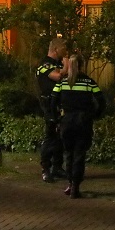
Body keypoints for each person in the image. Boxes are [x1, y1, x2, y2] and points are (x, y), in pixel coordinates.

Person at [51, 54, 105, 199]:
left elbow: (53, 101)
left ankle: (70, 183)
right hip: (83, 122)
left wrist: (57, 119)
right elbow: (101, 100)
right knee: (79, 155)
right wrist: (94, 115)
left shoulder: (62, 83)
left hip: (67, 121)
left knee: (68, 154)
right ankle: (76, 186)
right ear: (82, 65)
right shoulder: (89, 82)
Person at [36, 37, 67, 183]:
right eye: (63, 49)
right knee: (50, 136)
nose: (65, 51)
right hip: (49, 104)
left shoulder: (58, 63)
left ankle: (58, 167)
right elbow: (58, 76)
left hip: (61, 103)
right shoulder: (44, 65)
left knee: (61, 136)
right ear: (55, 49)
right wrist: (67, 65)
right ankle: (46, 168)